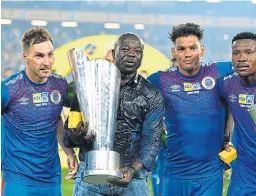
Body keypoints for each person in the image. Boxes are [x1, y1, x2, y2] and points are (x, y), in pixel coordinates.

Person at [63, 32, 165, 196]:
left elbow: (152, 143)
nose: (131, 54)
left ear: (142, 56)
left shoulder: (151, 95)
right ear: (113, 52)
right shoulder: (89, 87)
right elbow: (68, 136)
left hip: (132, 178)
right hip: (90, 175)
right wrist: (78, 136)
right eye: (125, 49)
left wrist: (133, 170)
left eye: (137, 51)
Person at [147, 23, 237, 196]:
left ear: (202, 50)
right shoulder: (160, 80)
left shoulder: (220, 71)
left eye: (192, 48)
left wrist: (227, 135)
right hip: (175, 173)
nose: (187, 54)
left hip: (210, 174)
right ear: (174, 52)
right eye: (181, 49)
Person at [1, 27, 77, 196]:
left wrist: (70, 152)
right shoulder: (9, 88)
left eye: (50, 54)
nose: (47, 61)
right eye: (39, 56)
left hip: (51, 178)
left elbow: (56, 120)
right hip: (18, 179)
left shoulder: (60, 85)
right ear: (26, 58)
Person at [218, 32, 256, 196]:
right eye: (236, 53)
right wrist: (226, 138)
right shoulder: (227, 84)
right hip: (243, 178)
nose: (241, 58)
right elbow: (223, 107)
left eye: (248, 52)